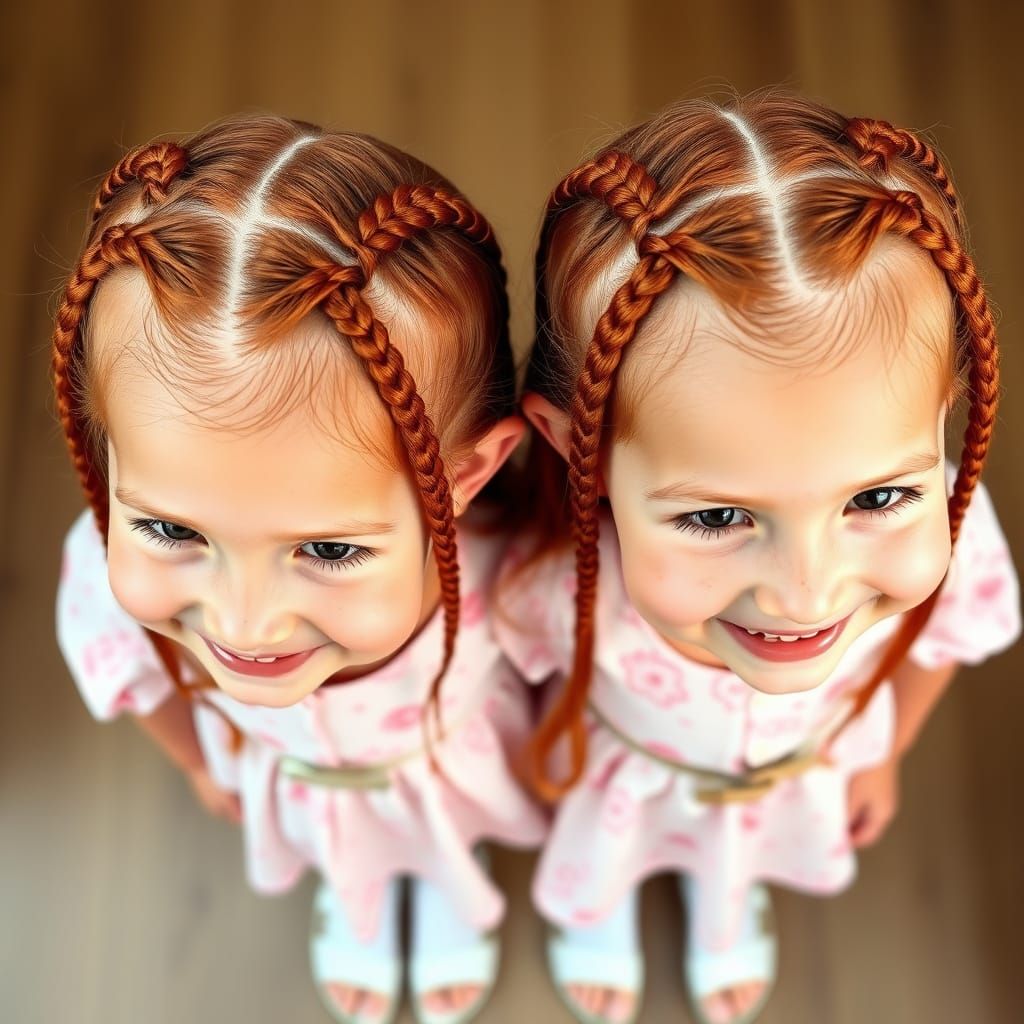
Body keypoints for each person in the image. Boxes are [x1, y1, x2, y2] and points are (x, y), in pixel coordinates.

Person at [497, 90, 1020, 1024]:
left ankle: (724, 908)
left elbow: (939, 644)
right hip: (629, 782)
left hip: (795, 780)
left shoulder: (955, 525)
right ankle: (601, 913)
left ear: (944, 410)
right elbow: (534, 682)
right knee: (605, 866)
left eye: (877, 497)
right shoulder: (552, 580)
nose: (806, 594)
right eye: (716, 517)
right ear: (579, 449)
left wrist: (886, 749)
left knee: (734, 867)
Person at [53, 114, 546, 1024]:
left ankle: (448, 877)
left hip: (442, 773)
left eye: (326, 550)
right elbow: (126, 673)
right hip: (304, 791)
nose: (244, 626)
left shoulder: (511, 572)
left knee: (443, 838)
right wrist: (196, 754)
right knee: (344, 854)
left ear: (465, 474)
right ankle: (355, 900)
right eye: (169, 528)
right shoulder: (99, 570)